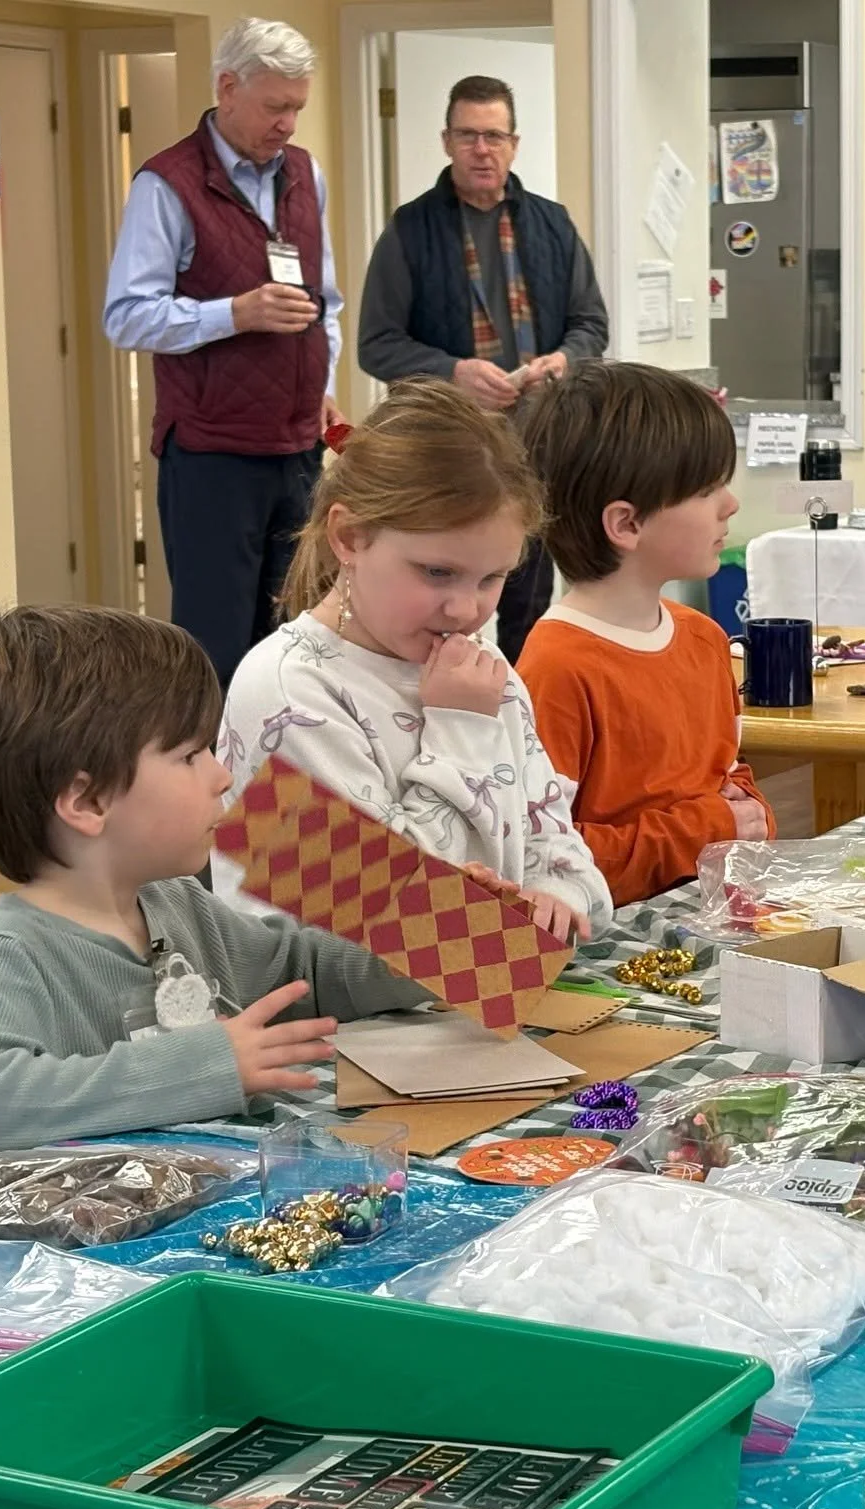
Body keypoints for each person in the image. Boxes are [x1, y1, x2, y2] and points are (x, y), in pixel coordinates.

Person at [0, 606, 434, 1162]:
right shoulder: (12, 952)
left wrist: (429, 937)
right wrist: (205, 1065)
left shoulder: (180, 903)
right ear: (88, 802)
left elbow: (301, 972)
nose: (221, 775)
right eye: (190, 755)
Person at [215, 378, 612, 942]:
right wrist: (460, 730)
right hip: (339, 1023)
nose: (466, 609)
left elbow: (568, 859)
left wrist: (559, 896)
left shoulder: (480, 671)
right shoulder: (284, 690)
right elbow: (385, 931)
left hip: (492, 998)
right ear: (350, 536)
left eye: (492, 577)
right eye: (437, 572)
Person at [103, 18, 347, 690]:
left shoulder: (305, 174)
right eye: (276, 107)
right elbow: (125, 316)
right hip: (212, 456)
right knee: (218, 649)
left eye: (298, 106)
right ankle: (211, 790)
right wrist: (236, 313)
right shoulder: (167, 185)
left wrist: (319, 377)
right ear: (227, 88)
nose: (290, 124)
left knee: (299, 641)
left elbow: (325, 300)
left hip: (298, 450)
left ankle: (288, 792)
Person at [357, 74, 611, 662]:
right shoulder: (410, 229)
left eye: (494, 135)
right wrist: (453, 372)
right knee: (449, 592)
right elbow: (377, 343)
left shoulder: (552, 224)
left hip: (540, 439)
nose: (482, 149)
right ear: (446, 141)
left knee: (527, 597)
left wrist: (564, 360)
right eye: (468, 135)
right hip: (449, 447)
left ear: (514, 144)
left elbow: (591, 325)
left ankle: (524, 721)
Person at [515, 362, 772, 907]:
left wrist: (748, 815)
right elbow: (547, 860)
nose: (731, 504)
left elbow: (729, 781)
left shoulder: (703, 638)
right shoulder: (556, 668)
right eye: (708, 489)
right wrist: (708, 829)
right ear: (626, 525)